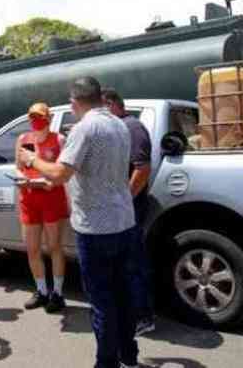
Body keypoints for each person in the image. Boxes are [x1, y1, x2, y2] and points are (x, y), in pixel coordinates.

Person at [19, 77, 139, 368]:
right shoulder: (119, 124)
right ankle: (129, 356)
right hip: (123, 220)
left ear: (75, 102)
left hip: (95, 227)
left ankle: (106, 362)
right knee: (123, 295)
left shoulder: (85, 128)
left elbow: (60, 174)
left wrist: (31, 160)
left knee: (102, 301)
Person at [102, 88, 156, 336]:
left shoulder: (131, 127)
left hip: (129, 210)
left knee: (132, 263)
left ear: (111, 104)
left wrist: (124, 200)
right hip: (119, 210)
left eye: (101, 108)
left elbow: (142, 169)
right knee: (123, 264)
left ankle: (142, 316)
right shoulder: (118, 128)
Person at [13, 102, 69, 313]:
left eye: (39, 117)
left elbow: (63, 171)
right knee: (32, 248)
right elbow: (19, 168)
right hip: (28, 197)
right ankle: (42, 291)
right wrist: (21, 179)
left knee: (54, 247)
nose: (35, 121)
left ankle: (58, 293)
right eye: (32, 117)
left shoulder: (58, 139)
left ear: (48, 118)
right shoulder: (23, 140)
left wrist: (50, 183)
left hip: (52, 197)